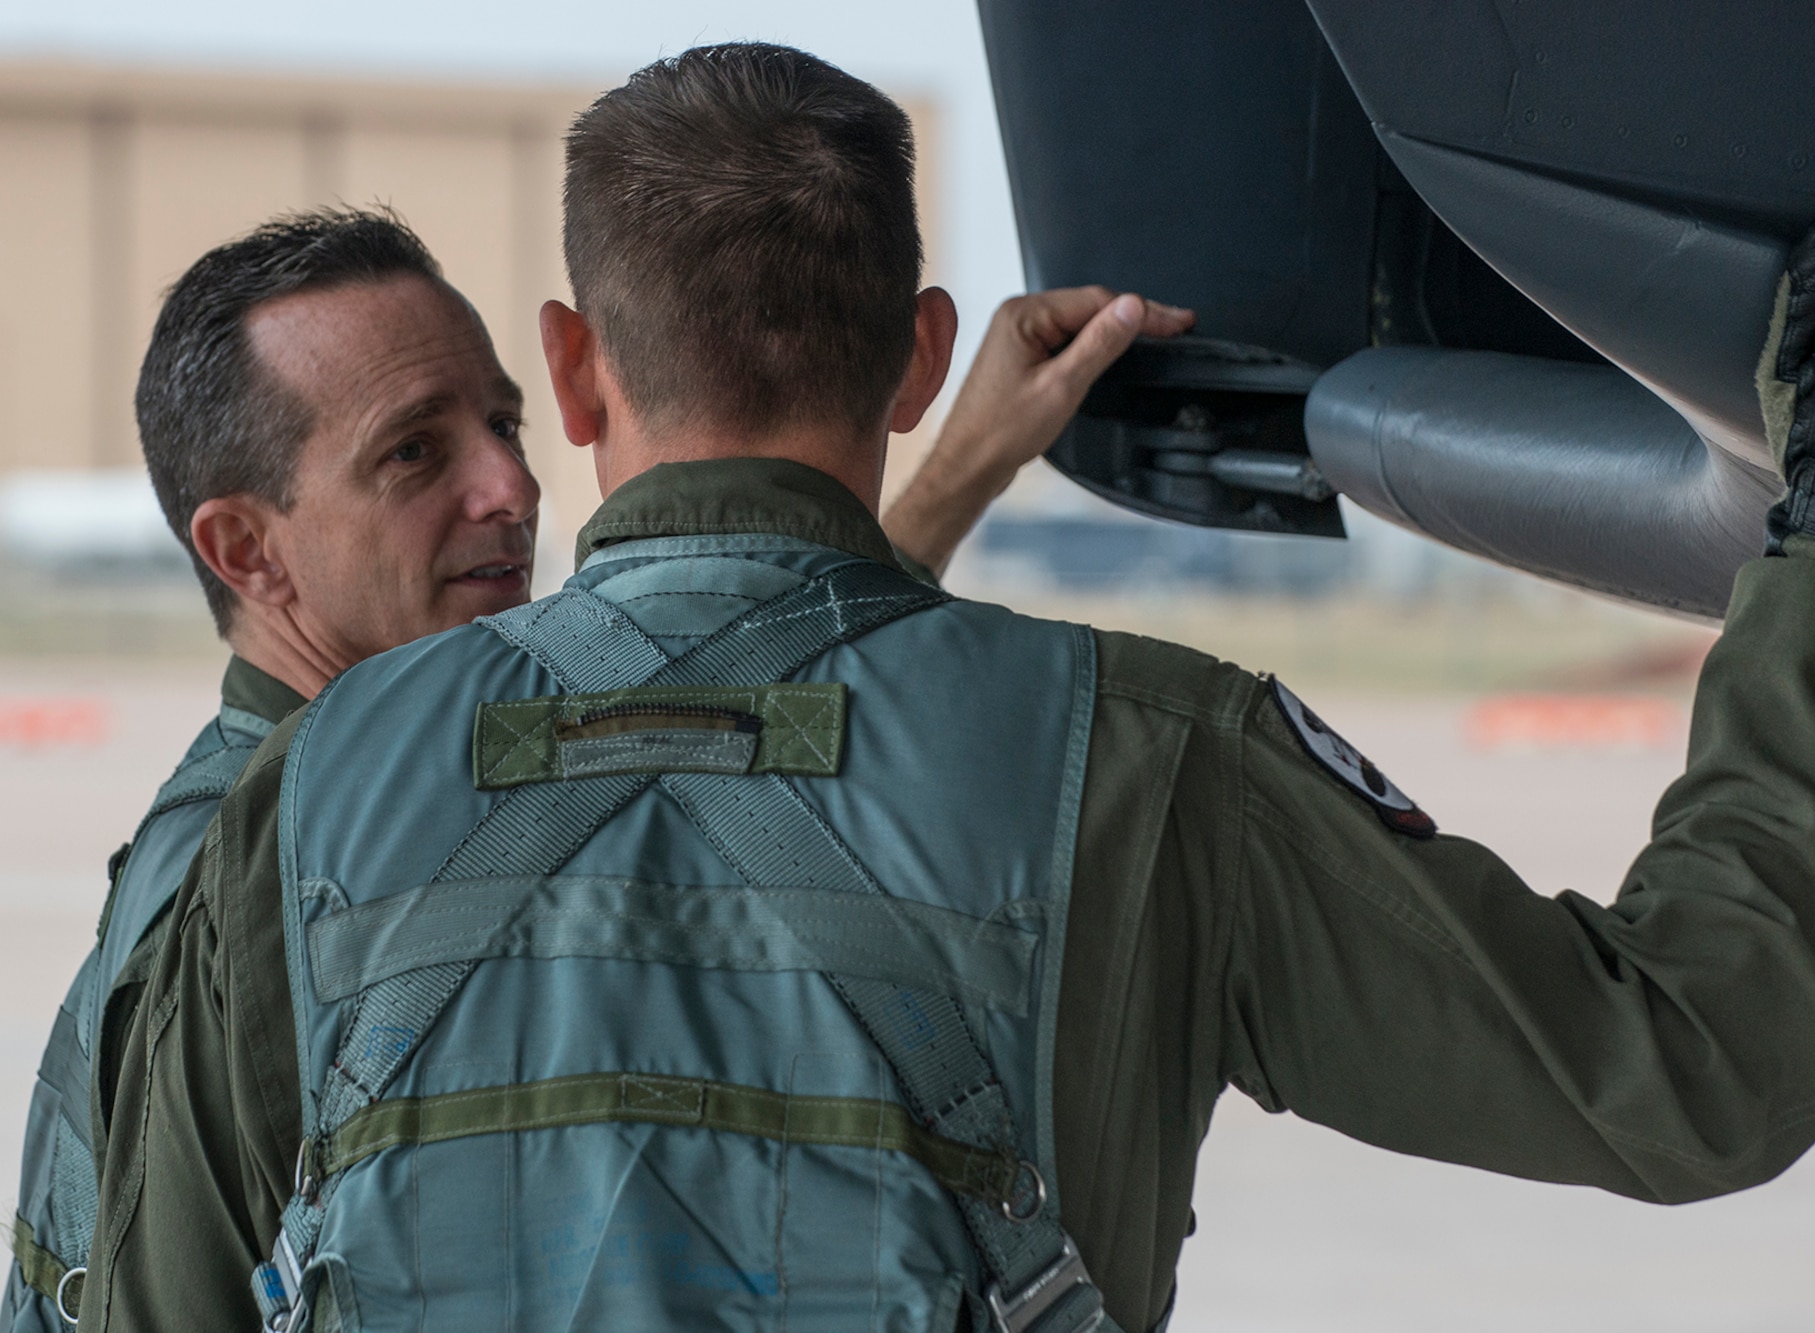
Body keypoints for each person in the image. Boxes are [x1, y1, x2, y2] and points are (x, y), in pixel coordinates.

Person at [79, 43, 1815, 1333]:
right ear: (919, 354)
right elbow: (1690, 1067)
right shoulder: (1147, 761)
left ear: (575, 377)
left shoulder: (302, 805)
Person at [1, 206, 1185, 1330]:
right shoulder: (232, 884)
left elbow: (701, 717)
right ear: (246, 550)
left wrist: (961, 456)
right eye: (414, 453)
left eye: (504, 424)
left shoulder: (396, 798)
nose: (510, 488)